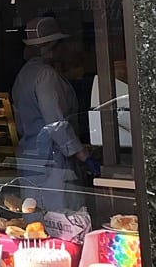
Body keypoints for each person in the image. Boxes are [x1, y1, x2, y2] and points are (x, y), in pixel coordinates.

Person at [12, 16, 100, 212]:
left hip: (31, 157)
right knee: (60, 220)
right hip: (52, 161)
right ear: (52, 45)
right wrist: (83, 155)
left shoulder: (24, 74)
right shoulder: (46, 75)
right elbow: (56, 123)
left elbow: (20, 122)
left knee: (34, 219)